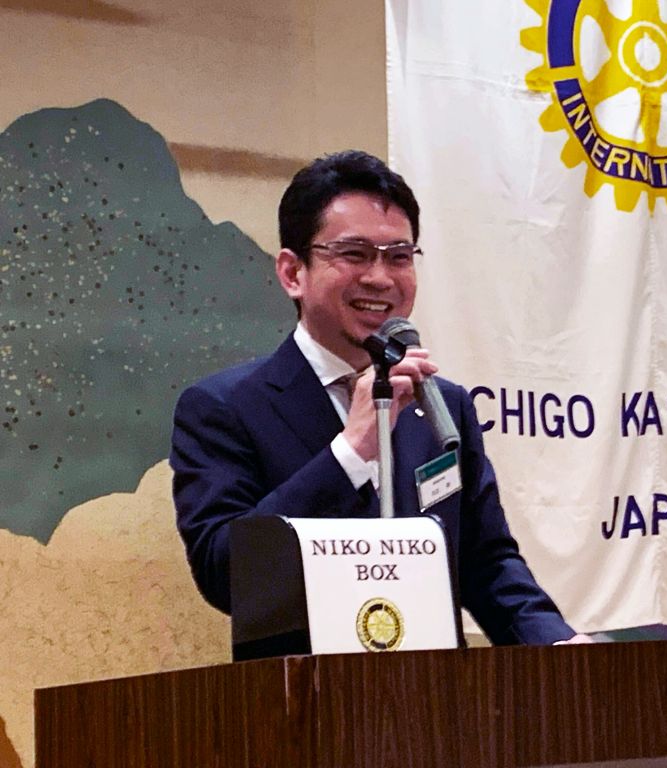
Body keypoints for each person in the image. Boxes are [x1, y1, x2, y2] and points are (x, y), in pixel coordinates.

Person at [170, 150, 589, 645]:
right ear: (292, 273)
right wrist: (351, 452)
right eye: (354, 254)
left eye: (399, 257)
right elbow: (227, 575)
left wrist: (560, 647)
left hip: (435, 688)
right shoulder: (223, 408)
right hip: (306, 689)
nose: (381, 278)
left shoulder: (443, 406)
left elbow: (487, 563)